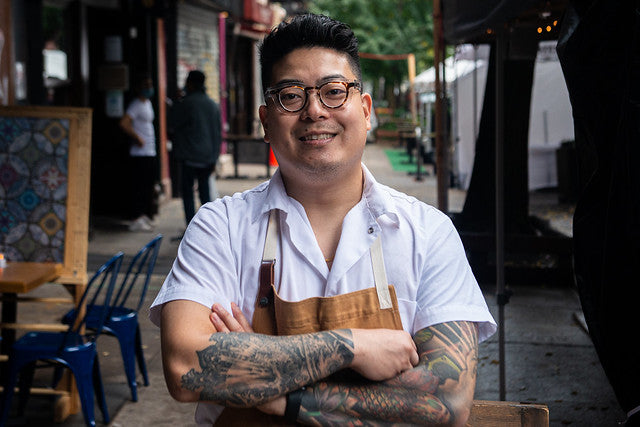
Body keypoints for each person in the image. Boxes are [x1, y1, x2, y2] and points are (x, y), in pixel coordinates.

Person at [151, 13, 496, 426]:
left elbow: (446, 401)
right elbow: (186, 367)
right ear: (265, 121)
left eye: (334, 91)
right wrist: (354, 347)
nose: (314, 110)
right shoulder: (219, 226)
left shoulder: (428, 232)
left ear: (365, 111)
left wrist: (271, 390)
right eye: (291, 96)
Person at [170, 70, 222, 226]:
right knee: (204, 193)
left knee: (188, 194)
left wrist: (177, 102)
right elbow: (217, 133)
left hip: (189, 157)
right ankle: (206, 226)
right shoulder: (212, 105)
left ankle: (191, 226)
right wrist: (215, 157)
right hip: (207, 157)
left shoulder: (186, 104)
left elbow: (173, 123)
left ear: (190, 83)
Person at [120, 74, 157, 231]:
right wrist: (138, 138)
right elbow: (124, 123)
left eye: (150, 84)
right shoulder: (135, 105)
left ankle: (143, 216)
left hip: (149, 151)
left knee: (147, 185)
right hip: (139, 152)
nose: (149, 88)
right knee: (139, 185)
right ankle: (136, 217)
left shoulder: (147, 103)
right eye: (146, 85)